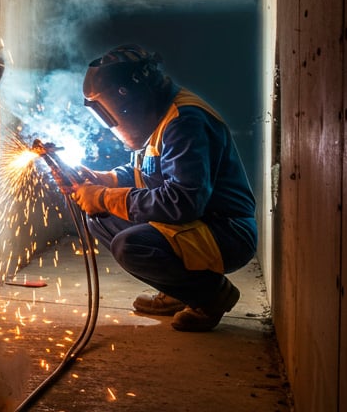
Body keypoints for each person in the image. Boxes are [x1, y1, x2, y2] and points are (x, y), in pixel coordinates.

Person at [67, 44, 257, 332]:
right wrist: (106, 180)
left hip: (226, 231)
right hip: (198, 223)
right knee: (100, 219)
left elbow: (183, 201)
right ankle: (180, 291)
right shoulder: (161, 115)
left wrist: (104, 197)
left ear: (126, 97)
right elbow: (150, 174)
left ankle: (211, 295)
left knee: (131, 246)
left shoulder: (185, 122)